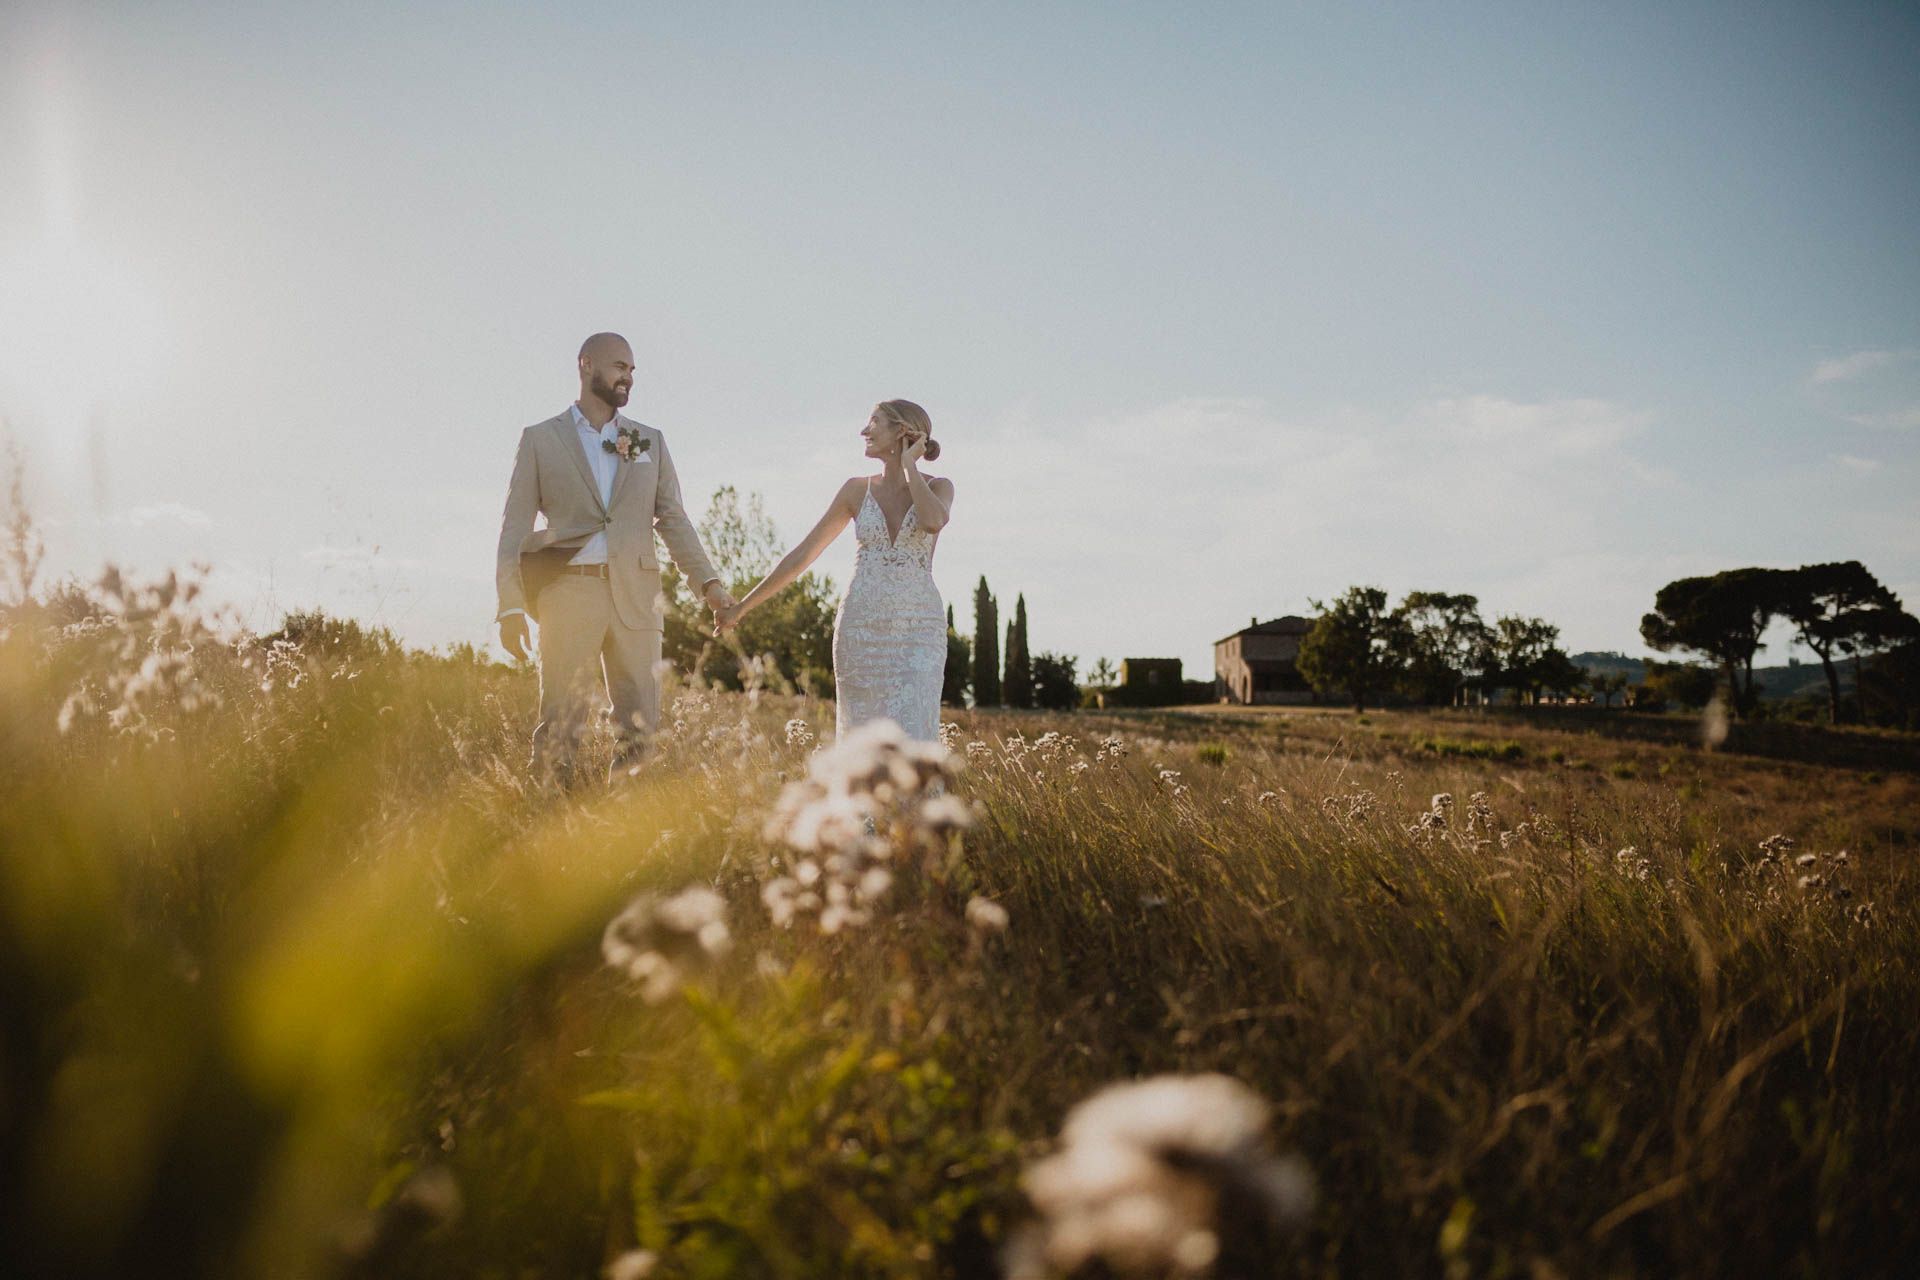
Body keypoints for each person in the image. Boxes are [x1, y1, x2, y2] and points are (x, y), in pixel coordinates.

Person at [494, 332, 733, 783]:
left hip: (638, 597)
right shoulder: (540, 439)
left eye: (632, 370)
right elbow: (514, 529)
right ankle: (545, 810)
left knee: (642, 727)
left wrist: (710, 585)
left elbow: (673, 519)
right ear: (587, 364)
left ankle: (625, 820)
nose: (629, 377)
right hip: (567, 592)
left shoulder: (649, 441)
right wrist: (510, 606)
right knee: (560, 722)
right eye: (620, 366)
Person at [716, 399, 952, 741]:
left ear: (901, 430)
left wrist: (909, 466)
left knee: (915, 732)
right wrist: (741, 608)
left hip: (919, 631)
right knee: (861, 739)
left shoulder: (939, 486)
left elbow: (932, 521)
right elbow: (802, 555)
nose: (864, 431)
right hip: (861, 631)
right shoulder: (855, 490)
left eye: (874, 422)